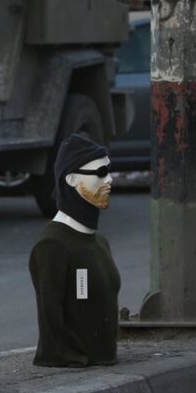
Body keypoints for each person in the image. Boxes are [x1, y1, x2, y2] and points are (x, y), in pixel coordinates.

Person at [28, 133, 121, 367]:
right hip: (77, 362)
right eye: (101, 172)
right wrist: (74, 356)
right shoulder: (52, 245)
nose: (109, 179)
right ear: (71, 179)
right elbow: (50, 316)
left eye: (109, 171)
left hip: (102, 360)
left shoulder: (99, 242)